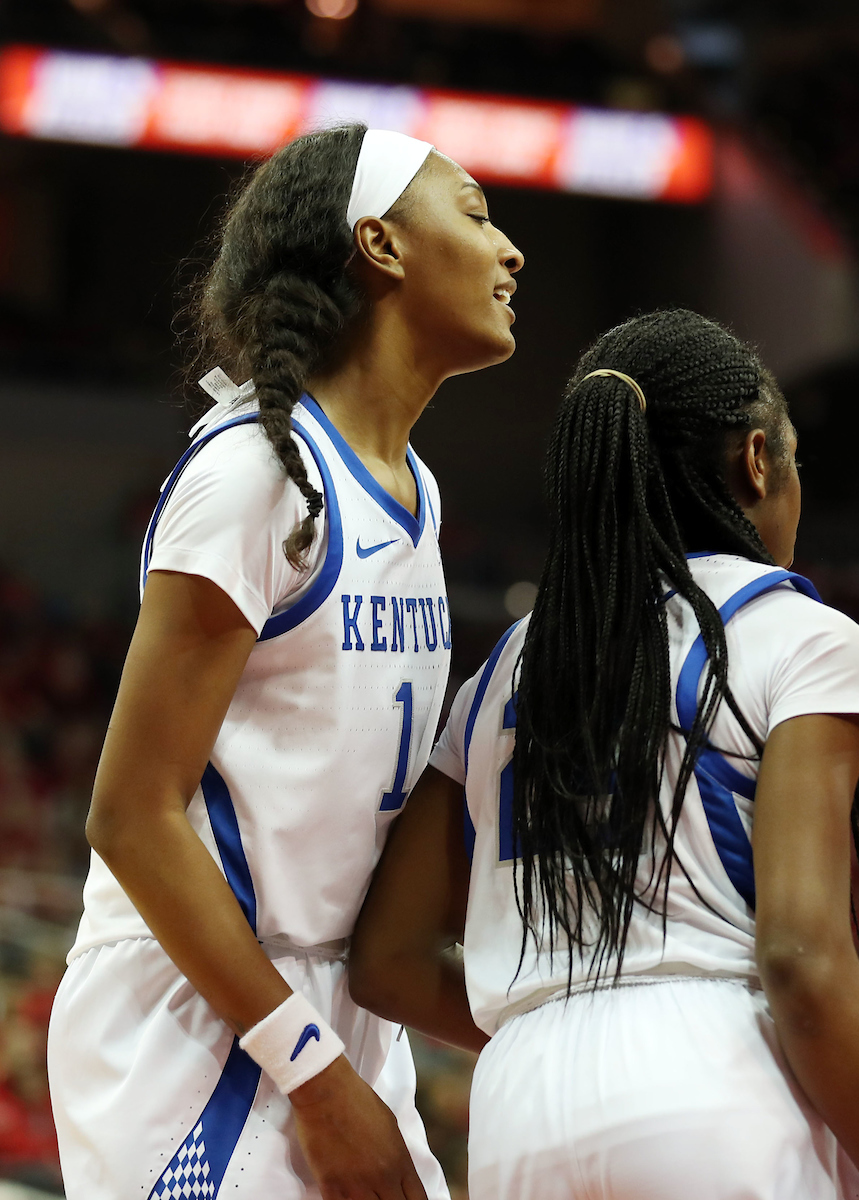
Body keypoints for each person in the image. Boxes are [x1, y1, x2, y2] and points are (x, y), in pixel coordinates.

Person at [46, 123, 524, 1200]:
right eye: (477, 212)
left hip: (327, 1007)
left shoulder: (417, 492)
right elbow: (129, 815)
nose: (511, 251)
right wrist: (313, 1076)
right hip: (208, 1020)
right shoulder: (259, 476)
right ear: (382, 245)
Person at [349, 309, 859, 1200]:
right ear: (760, 459)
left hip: (520, 1104)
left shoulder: (508, 664)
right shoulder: (800, 635)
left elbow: (387, 958)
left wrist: (560, 1015)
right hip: (715, 1077)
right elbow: (804, 959)